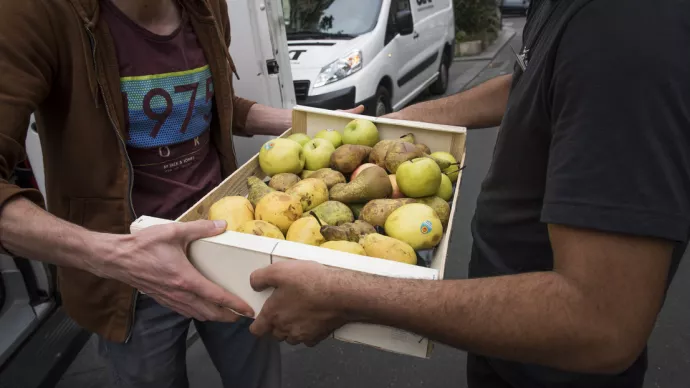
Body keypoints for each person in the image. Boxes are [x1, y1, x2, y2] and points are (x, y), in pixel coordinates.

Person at [247, 0, 690, 387]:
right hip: (510, 341)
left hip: (557, 369)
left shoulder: (626, 31)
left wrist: (350, 295)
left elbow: (600, 321)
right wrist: (400, 126)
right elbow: (530, 82)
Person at [0, 0, 361, 387]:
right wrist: (119, 257)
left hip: (229, 243)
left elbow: (212, 102)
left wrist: (312, 124)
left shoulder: (207, 6)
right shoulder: (33, 12)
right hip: (131, 280)